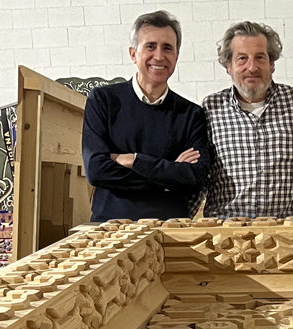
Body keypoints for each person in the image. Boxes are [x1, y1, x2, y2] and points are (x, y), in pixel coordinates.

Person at [199, 21, 293, 219]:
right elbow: (198, 172)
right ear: (228, 66)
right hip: (226, 234)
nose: (252, 67)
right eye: (242, 59)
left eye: (260, 57)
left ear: (272, 63)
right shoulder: (210, 109)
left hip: (289, 232)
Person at [81, 11, 209, 222]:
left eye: (167, 48)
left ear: (176, 56)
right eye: (150, 46)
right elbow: (96, 170)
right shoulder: (104, 101)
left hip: (172, 231)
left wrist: (134, 160)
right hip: (111, 229)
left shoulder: (191, 114)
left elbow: (195, 177)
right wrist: (169, 176)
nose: (159, 56)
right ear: (133, 54)